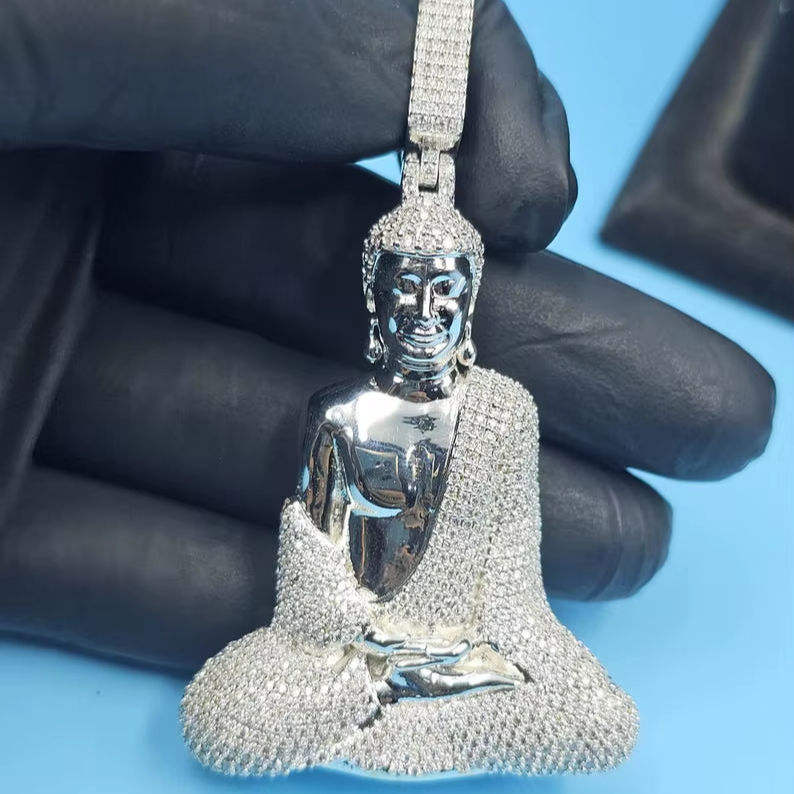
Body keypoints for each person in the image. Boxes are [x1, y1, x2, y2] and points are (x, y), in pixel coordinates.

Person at [0, 0, 774, 677]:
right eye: (407, 291)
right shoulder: (342, 416)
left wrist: (470, 646)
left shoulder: (500, 414)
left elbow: (507, 582)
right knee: (256, 690)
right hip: (345, 632)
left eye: (447, 293)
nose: (427, 312)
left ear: (468, 308)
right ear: (377, 300)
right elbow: (312, 567)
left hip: (451, 642)